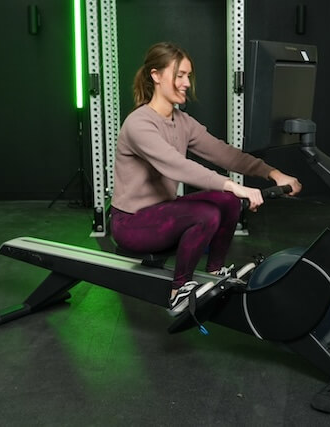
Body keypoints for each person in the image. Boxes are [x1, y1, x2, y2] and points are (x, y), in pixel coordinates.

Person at [111, 42, 301, 315]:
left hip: (162, 214)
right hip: (131, 224)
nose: (186, 83)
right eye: (179, 75)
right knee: (205, 213)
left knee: (228, 202)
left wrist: (272, 173)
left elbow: (225, 154)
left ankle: (215, 272)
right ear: (156, 76)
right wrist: (234, 185)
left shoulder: (182, 122)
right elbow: (176, 166)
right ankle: (179, 291)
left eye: (188, 76)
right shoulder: (139, 124)